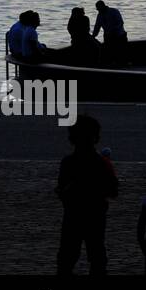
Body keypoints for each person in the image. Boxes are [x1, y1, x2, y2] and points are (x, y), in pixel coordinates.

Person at [56, 114, 118, 275]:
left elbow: (60, 190)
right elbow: (113, 191)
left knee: (67, 257)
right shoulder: (102, 163)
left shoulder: (68, 163)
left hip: (73, 214)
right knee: (97, 255)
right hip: (95, 214)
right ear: (96, 138)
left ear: (71, 139)